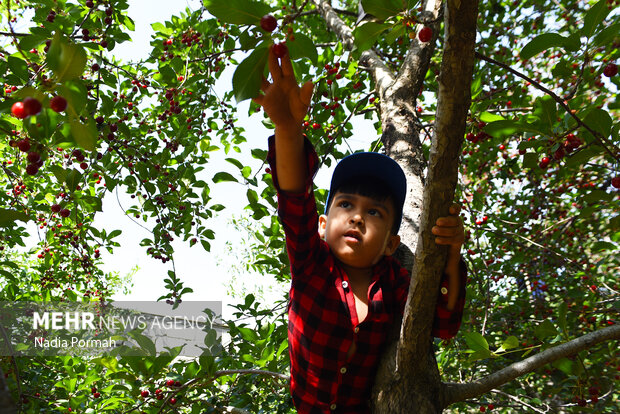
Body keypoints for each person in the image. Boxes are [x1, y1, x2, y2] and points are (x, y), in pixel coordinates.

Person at [253, 45, 467, 414]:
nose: (357, 217)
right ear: (322, 226)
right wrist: (288, 128)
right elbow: (293, 199)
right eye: (346, 204)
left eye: (375, 213)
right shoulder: (311, 264)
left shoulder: (396, 284)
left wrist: (451, 253)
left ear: (391, 244)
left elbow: (443, 325)